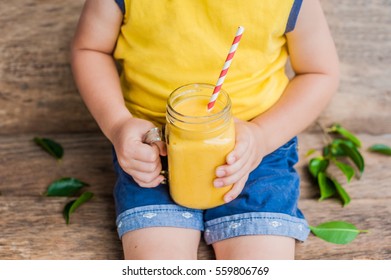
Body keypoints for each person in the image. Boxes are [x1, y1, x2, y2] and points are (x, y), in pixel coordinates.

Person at [71, 0, 339, 260]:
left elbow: (318, 72)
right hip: (153, 151)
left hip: (255, 153)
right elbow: (90, 49)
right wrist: (118, 124)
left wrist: (262, 136)